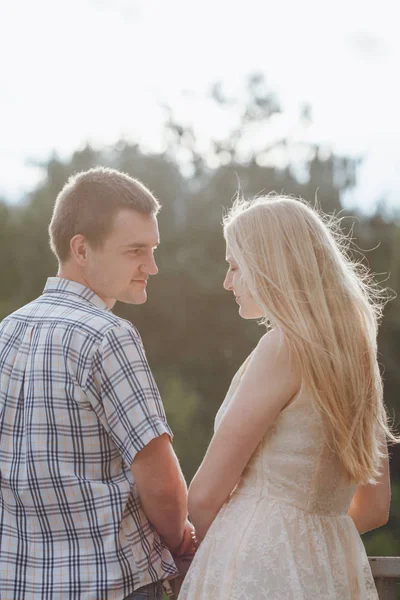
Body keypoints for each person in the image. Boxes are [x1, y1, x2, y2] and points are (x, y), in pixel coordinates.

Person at [178, 195, 398, 600]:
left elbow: (204, 496)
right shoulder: (356, 357)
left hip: (254, 566)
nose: (228, 282)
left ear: (270, 266)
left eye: (234, 266)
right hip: (332, 568)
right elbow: (374, 507)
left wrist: (240, 549)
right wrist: (308, 545)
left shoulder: (281, 347)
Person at [0, 167, 195, 600]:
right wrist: (180, 538)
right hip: (109, 583)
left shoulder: (6, 332)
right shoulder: (108, 335)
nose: (152, 266)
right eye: (135, 251)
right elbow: (160, 481)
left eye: (153, 249)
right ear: (82, 249)